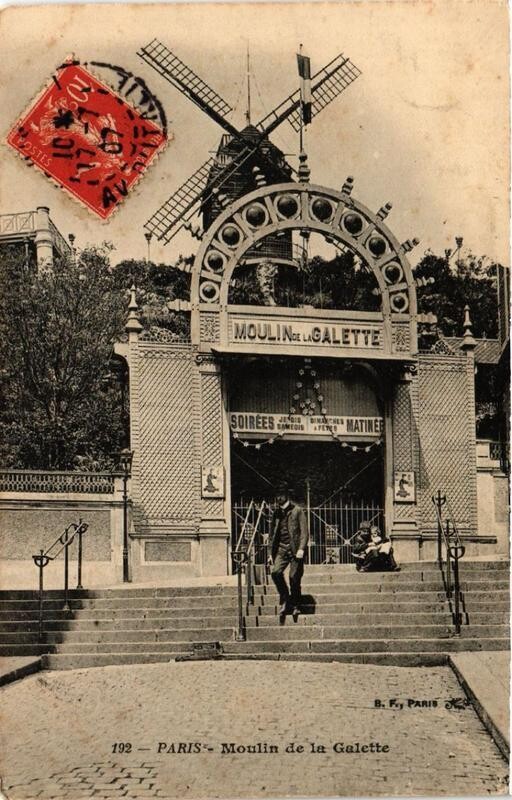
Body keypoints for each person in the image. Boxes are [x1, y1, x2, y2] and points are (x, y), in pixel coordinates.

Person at [268, 482, 309, 617]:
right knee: (275, 573)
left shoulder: (298, 511)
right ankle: (286, 598)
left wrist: (301, 548)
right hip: (281, 549)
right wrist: (270, 553)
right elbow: (272, 535)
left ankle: (296, 604)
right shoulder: (276, 513)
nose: (279, 498)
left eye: (281, 495)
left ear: (286, 496)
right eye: (277, 496)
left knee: (294, 577)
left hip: (296, 550)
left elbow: (304, 533)